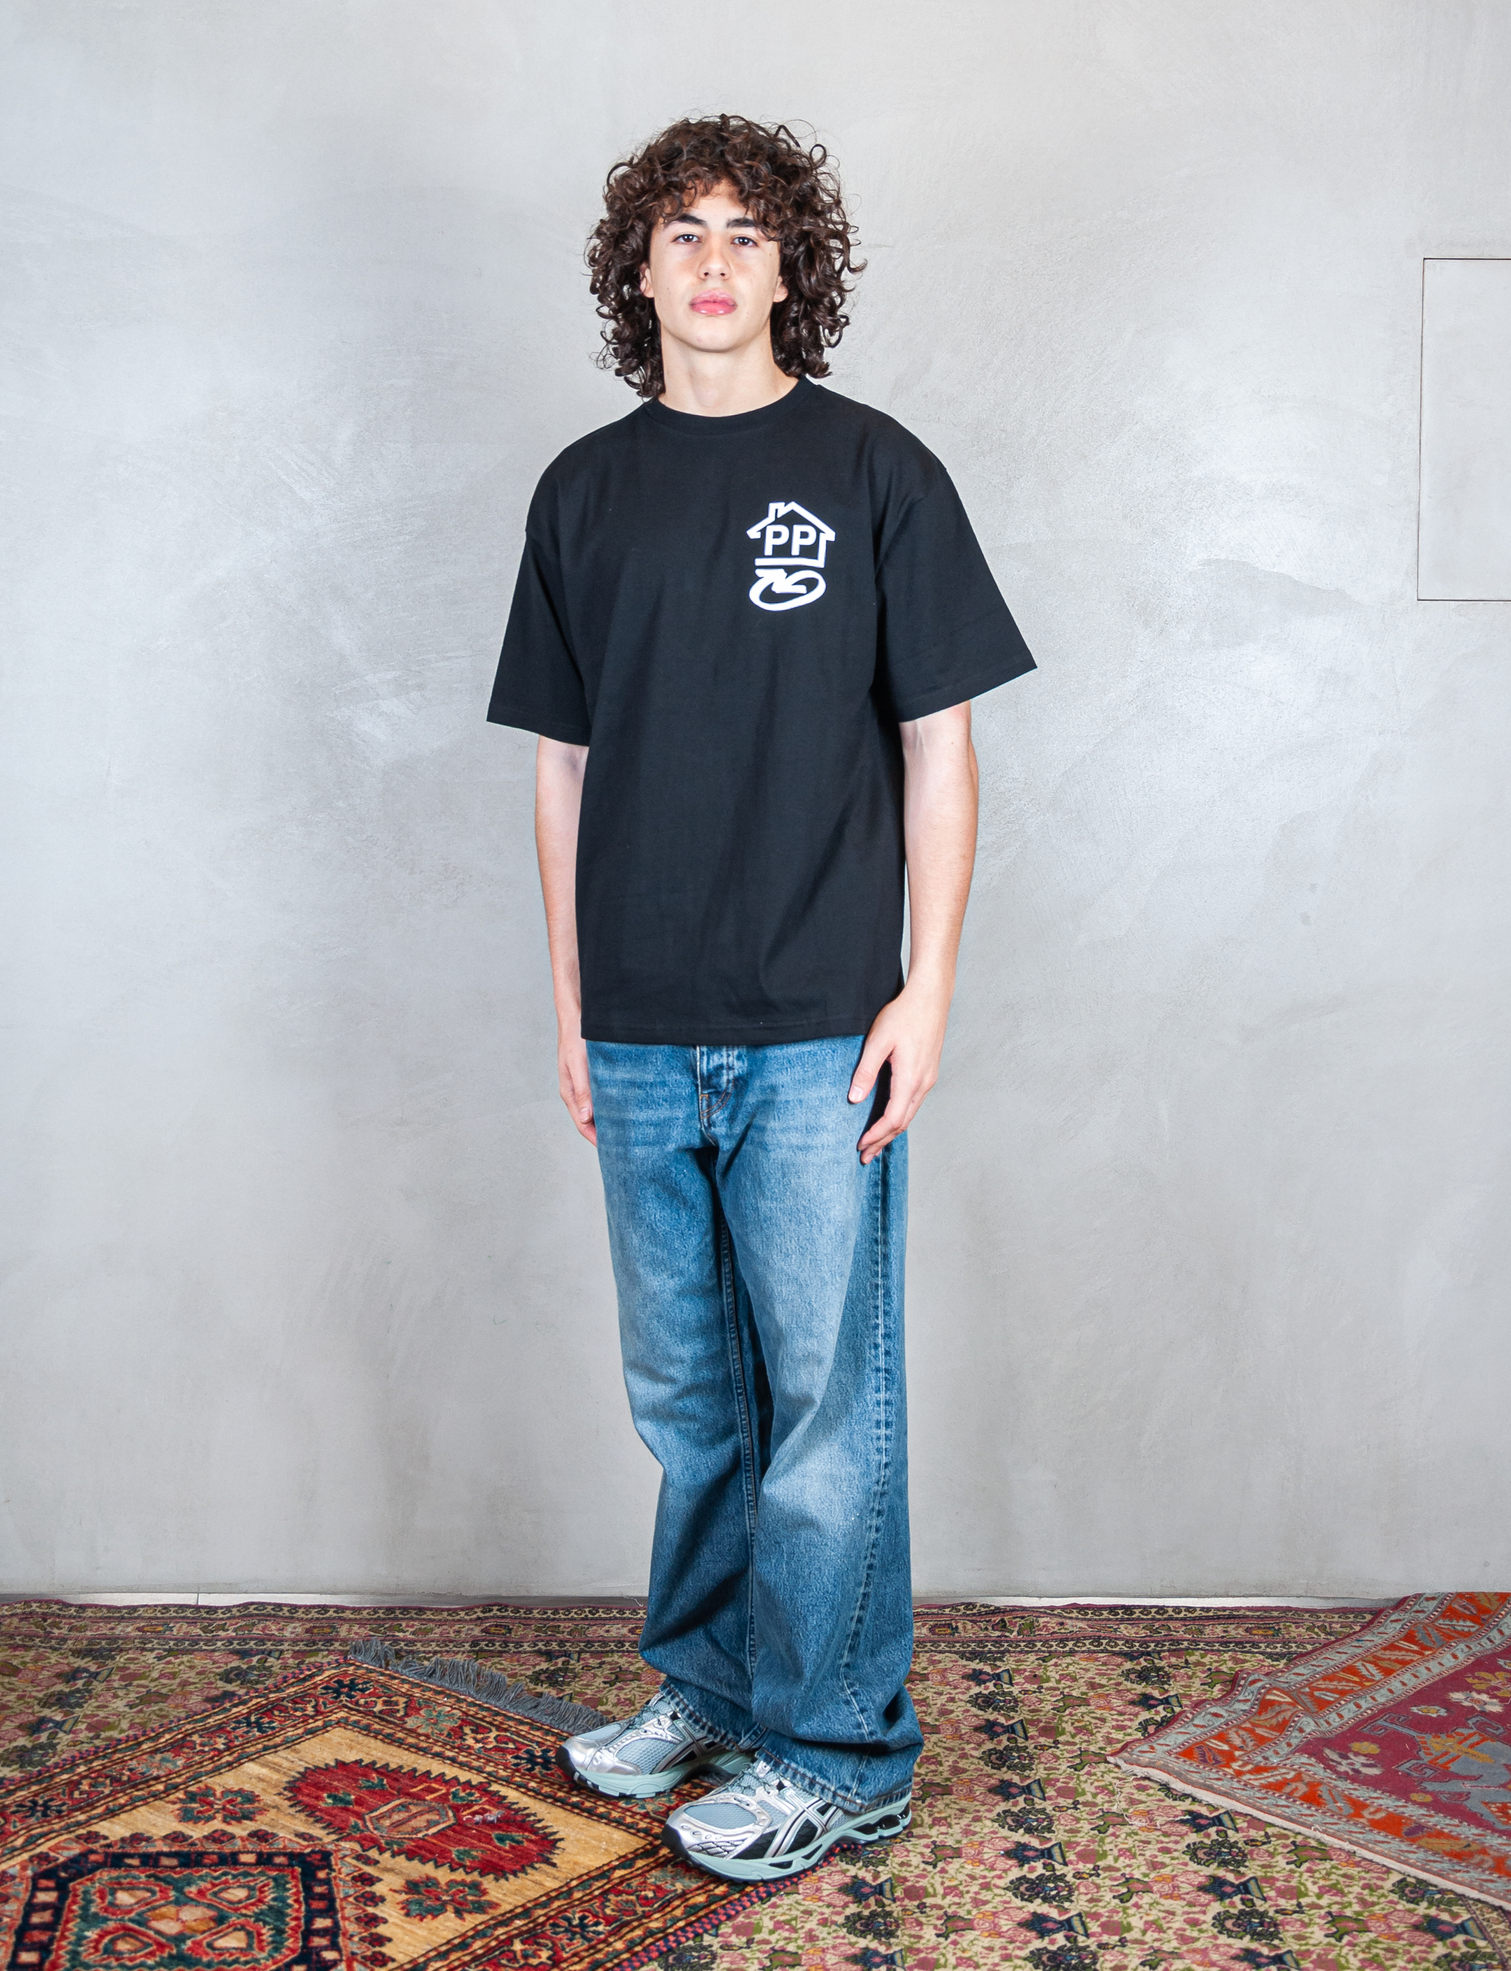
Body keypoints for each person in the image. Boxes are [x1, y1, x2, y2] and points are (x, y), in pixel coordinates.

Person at [487, 114, 1034, 1884]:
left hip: (817, 1025)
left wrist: (925, 990)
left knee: (821, 1411)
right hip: (641, 1023)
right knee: (690, 1402)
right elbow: (561, 767)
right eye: (682, 234)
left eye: (745, 232)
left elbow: (938, 748)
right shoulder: (582, 491)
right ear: (635, 271)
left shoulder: (875, 470)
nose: (714, 263)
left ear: (794, 266)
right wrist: (572, 1007)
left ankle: (838, 1751)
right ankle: (714, 1691)